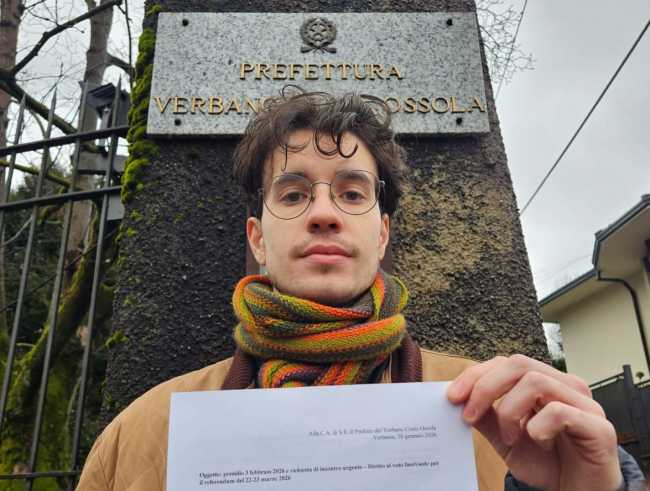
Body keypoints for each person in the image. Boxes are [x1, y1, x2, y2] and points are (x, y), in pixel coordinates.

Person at [76, 90, 646, 491]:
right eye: (293, 194)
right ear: (258, 239)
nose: (323, 213)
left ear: (382, 234)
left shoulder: (505, 422)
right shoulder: (141, 436)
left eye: (351, 194)